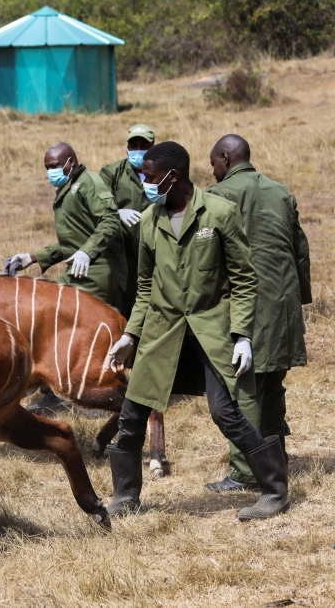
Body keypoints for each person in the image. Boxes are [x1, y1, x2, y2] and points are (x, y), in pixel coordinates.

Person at [106, 141, 290, 521]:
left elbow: (244, 279)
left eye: (150, 176)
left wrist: (242, 335)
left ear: (173, 176)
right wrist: (130, 337)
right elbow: (144, 286)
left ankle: (274, 490)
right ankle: (126, 497)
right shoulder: (149, 220)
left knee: (226, 413)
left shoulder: (219, 212)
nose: (145, 182)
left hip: (211, 330)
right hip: (162, 331)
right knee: (132, 413)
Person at [203, 134, 311, 492]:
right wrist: (300, 298)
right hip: (285, 302)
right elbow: (300, 249)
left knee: (244, 387)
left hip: (247, 306)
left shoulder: (219, 195)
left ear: (225, 158)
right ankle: (275, 454)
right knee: (273, 384)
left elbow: (209, 259)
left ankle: (247, 472)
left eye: (213, 163)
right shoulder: (281, 191)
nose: (212, 170)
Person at [5, 142, 127, 412]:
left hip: (99, 270)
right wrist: (32, 257)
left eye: (55, 166)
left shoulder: (89, 184)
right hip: (79, 269)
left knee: (83, 333)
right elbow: (70, 242)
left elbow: (109, 221)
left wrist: (88, 251)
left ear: (71, 162)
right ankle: (54, 390)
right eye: (47, 167)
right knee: (45, 321)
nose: (51, 172)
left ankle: (99, 393)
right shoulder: (66, 189)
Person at [101, 124, 155, 317]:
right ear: (127, 147)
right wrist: (117, 212)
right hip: (122, 252)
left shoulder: (163, 173)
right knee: (123, 305)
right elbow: (97, 204)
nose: (138, 150)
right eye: (134, 146)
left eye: (144, 146)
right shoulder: (112, 172)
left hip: (155, 250)